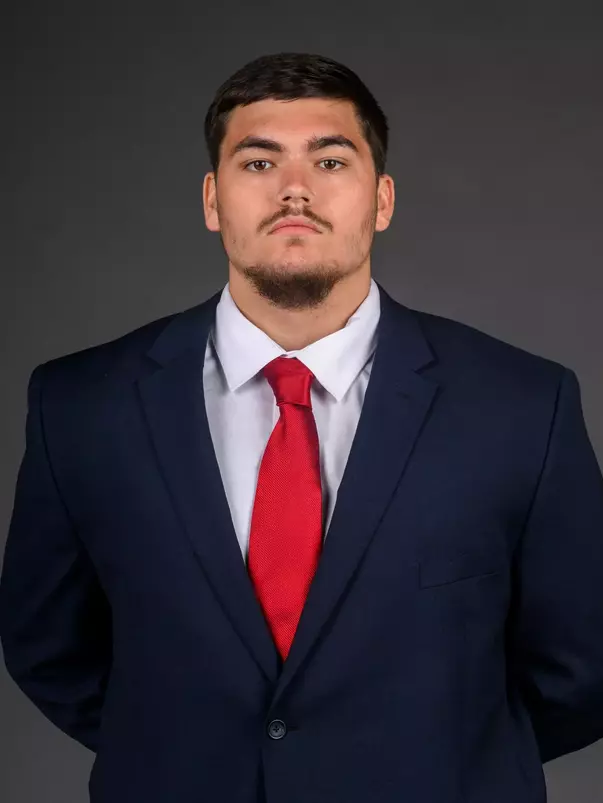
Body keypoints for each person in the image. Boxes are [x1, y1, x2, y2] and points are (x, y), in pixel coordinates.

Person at [1, 51, 602, 803]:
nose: (294, 189)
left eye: (329, 160)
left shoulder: (521, 404)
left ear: (381, 199)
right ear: (212, 200)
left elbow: (583, 664)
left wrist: (436, 759)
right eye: (257, 162)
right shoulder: (81, 405)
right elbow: (46, 646)